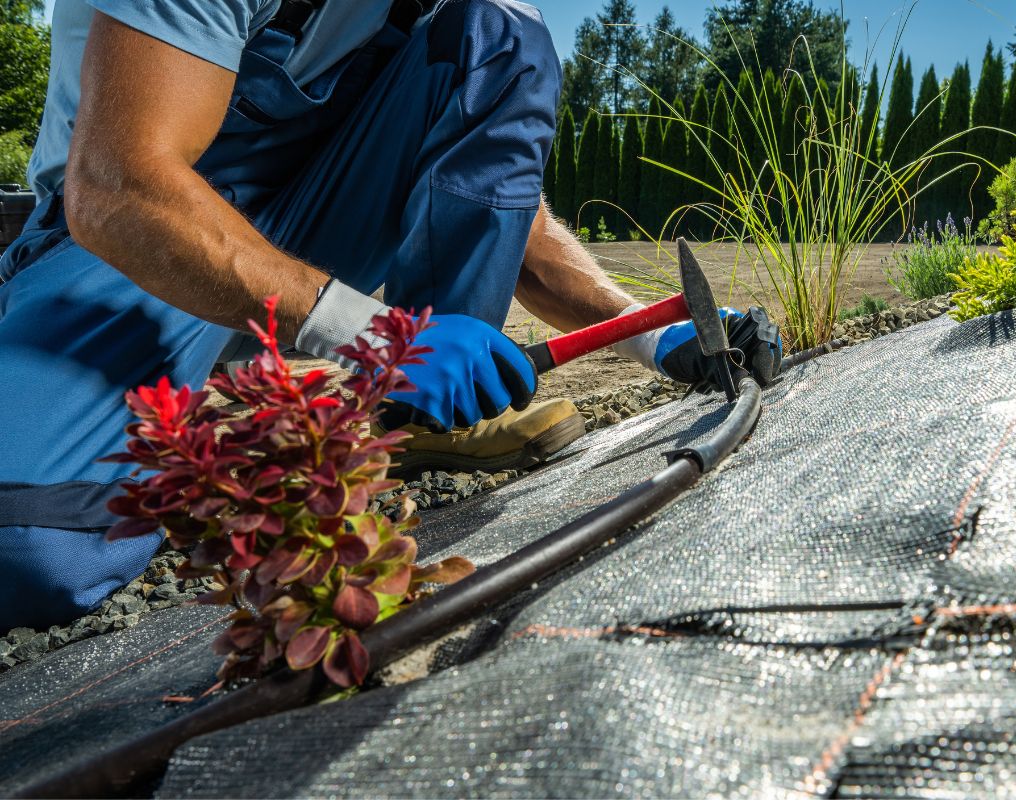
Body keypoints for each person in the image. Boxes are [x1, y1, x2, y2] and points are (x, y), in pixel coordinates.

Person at [0, 0, 781, 630]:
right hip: (127, 244)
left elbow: (502, 211)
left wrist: (655, 331)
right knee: (31, 550)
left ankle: (415, 419)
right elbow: (117, 187)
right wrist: (373, 337)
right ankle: (267, 413)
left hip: (305, 227)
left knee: (504, 33)